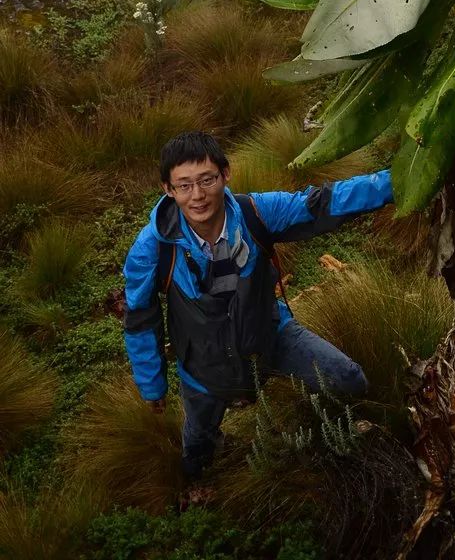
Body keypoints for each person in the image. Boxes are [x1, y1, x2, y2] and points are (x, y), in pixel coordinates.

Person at [123, 131, 393, 479]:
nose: (198, 195)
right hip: (203, 366)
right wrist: (152, 384)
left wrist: (397, 180)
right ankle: (196, 479)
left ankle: (345, 441)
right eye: (185, 185)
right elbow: (141, 319)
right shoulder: (152, 248)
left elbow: (321, 203)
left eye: (207, 180)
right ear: (168, 190)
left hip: (270, 336)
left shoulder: (255, 213)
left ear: (225, 174)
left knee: (349, 380)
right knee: (199, 446)